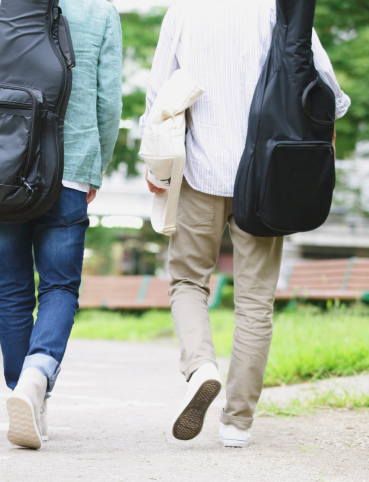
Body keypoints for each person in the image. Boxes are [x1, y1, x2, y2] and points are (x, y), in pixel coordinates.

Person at [141, 0, 350, 447]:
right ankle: (237, 423)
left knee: (188, 282)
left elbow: (159, 95)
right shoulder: (277, 9)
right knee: (255, 302)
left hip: (199, 172)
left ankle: (201, 367)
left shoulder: (184, 11)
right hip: (269, 176)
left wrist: (156, 164)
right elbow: (328, 93)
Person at [0, 0, 123, 449]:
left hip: (2, 165)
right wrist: (97, 164)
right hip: (68, 167)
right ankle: (37, 379)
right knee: (58, 288)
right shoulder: (100, 11)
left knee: (12, 292)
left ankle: (25, 389)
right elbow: (107, 99)